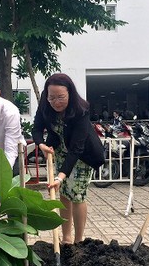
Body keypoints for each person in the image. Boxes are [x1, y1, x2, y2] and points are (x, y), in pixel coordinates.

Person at [33, 73, 105, 244]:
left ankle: (79, 241)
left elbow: (77, 148)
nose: (56, 102)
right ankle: (66, 238)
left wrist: (60, 176)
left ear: (70, 94)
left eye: (61, 97)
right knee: (64, 194)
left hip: (82, 156)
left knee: (77, 195)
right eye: (52, 98)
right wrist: (41, 144)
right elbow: (37, 129)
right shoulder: (45, 103)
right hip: (59, 151)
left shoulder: (81, 110)